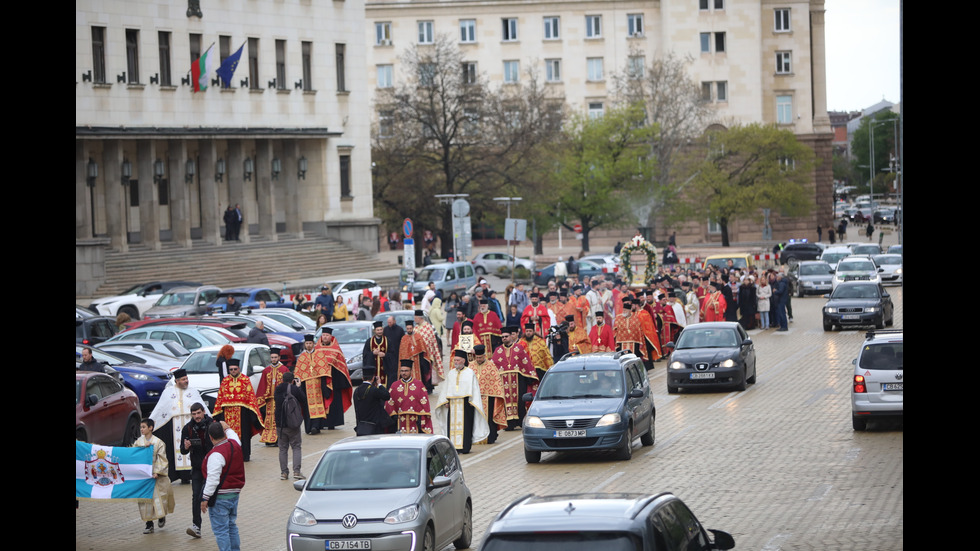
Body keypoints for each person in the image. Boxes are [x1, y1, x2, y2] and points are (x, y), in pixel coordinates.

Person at [149, 368, 210, 483]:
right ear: (177, 381)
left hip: (192, 425)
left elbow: (203, 409)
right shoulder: (168, 392)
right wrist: (150, 423)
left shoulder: (193, 391)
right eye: (183, 379)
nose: (186, 381)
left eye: (187, 379)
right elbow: (160, 409)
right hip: (174, 426)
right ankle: (180, 475)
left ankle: (192, 474)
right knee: (177, 449)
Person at [433, 350, 489, 453]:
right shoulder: (451, 373)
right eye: (455, 360)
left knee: (466, 427)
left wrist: (472, 401)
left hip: (466, 405)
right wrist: (445, 401)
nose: (456, 362)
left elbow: (474, 390)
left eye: (458, 360)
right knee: (452, 427)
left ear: (463, 360)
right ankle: (453, 447)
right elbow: (446, 389)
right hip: (453, 405)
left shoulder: (469, 373)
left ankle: (465, 447)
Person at [201, 422, 244, 551]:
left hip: (220, 497)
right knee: (231, 526)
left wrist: (205, 498)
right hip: (234, 494)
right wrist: (228, 428)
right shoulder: (234, 444)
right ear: (224, 433)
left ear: (211, 437)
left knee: (221, 531)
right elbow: (234, 436)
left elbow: (213, 480)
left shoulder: (216, 454)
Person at [213, 358, 263, 461]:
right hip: (228, 414)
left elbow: (251, 398)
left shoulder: (245, 380)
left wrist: (253, 417)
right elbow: (220, 398)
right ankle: (230, 455)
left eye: (235, 369)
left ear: (239, 368)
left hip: (242, 414)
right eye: (231, 369)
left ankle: (245, 456)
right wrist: (217, 416)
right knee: (227, 435)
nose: (233, 371)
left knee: (244, 436)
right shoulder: (225, 381)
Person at [491, 326, 538, 430]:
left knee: (520, 401)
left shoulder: (519, 349)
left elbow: (526, 363)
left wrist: (530, 378)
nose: (504, 338)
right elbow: (493, 367)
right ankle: (509, 424)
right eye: (502, 337)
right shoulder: (498, 351)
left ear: (511, 337)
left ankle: (521, 421)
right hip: (503, 382)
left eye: (506, 336)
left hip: (519, 381)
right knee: (505, 402)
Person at [134, 417, 175, 534]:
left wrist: (157, 471)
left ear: (150, 428)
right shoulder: (138, 442)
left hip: (156, 476)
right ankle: (149, 524)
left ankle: (161, 516)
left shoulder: (158, 442)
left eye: (144, 427)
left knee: (160, 498)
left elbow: (162, 459)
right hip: (144, 477)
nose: (141, 429)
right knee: (145, 501)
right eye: (141, 427)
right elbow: (134, 456)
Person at [180, 403, 213, 538]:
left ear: (203, 412)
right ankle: (196, 526)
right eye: (194, 414)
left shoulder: (213, 425)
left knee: (214, 497)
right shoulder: (187, 428)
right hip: (197, 468)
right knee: (196, 496)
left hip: (212, 467)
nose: (197, 417)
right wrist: (186, 447)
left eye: (198, 413)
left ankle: (221, 524)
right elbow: (182, 450)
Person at [469, 344, 507, 444]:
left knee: (489, 419)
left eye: (480, 357)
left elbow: (496, 380)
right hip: (475, 398)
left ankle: (490, 437)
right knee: (476, 419)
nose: (479, 359)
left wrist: (496, 393)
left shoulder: (491, 365)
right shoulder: (471, 365)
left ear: (484, 356)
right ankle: (477, 438)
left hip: (488, 397)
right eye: (477, 357)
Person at [385, 361, 433, 434]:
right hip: (399, 421)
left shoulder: (419, 385)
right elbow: (389, 401)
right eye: (402, 371)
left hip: (415, 420)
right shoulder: (395, 385)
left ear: (411, 371)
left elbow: (424, 402)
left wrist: (421, 417)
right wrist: (393, 414)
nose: (404, 373)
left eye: (406, 371)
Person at [274, 371, 307, 480]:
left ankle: (284, 473)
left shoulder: (277, 389)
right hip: (292, 423)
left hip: (280, 424)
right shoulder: (294, 389)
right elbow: (304, 399)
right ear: (293, 380)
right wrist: (298, 387)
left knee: (282, 448)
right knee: (296, 446)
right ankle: (296, 472)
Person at [255, 348, 290, 445]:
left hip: (280, 399)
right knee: (269, 419)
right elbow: (262, 385)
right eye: (272, 357)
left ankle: (279, 439)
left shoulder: (284, 369)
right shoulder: (266, 371)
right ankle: (268, 439)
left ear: (279, 357)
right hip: (269, 400)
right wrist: (261, 399)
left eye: (275, 357)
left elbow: (287, 384)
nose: (274, 359)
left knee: (279, 419)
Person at [413, 310, 444, 384]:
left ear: (419, 318)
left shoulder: (428, 327)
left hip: (427, 354)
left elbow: (430, 341)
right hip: (418, 354)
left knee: (427, 370)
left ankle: (429, 386)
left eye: (415, 318)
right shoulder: (415, 328)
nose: (414, 319)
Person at [363, 320, 396, 385]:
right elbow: (365, 355)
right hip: (373, 370)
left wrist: (385, 355)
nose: (380, 332)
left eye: (381, 330)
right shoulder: (369, 341)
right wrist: (372, 353)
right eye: (378, 330)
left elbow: (393, 355)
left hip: (385, 370)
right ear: (374, 331)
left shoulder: (388, 341)